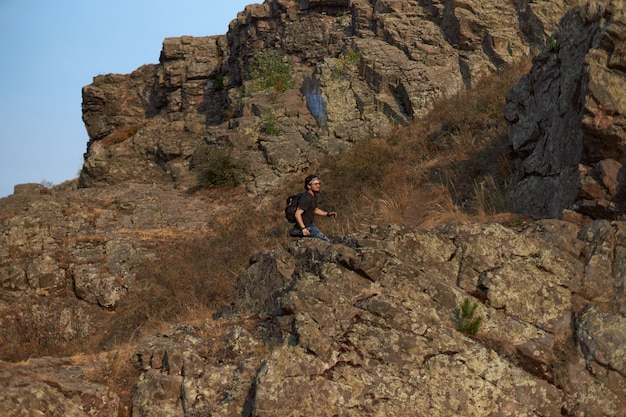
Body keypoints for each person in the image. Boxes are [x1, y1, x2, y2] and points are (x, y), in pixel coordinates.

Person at [289, 174, 337, 243]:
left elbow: (315, 210)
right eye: (316, 184)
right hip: (307, 228)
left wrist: (327, 214)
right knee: (327, 243)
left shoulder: (312, 197)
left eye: (319, 184)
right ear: (309, 186)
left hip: (308, 227)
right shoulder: (306, 198)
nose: (318, 186)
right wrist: (303, 228)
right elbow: (297, 213)